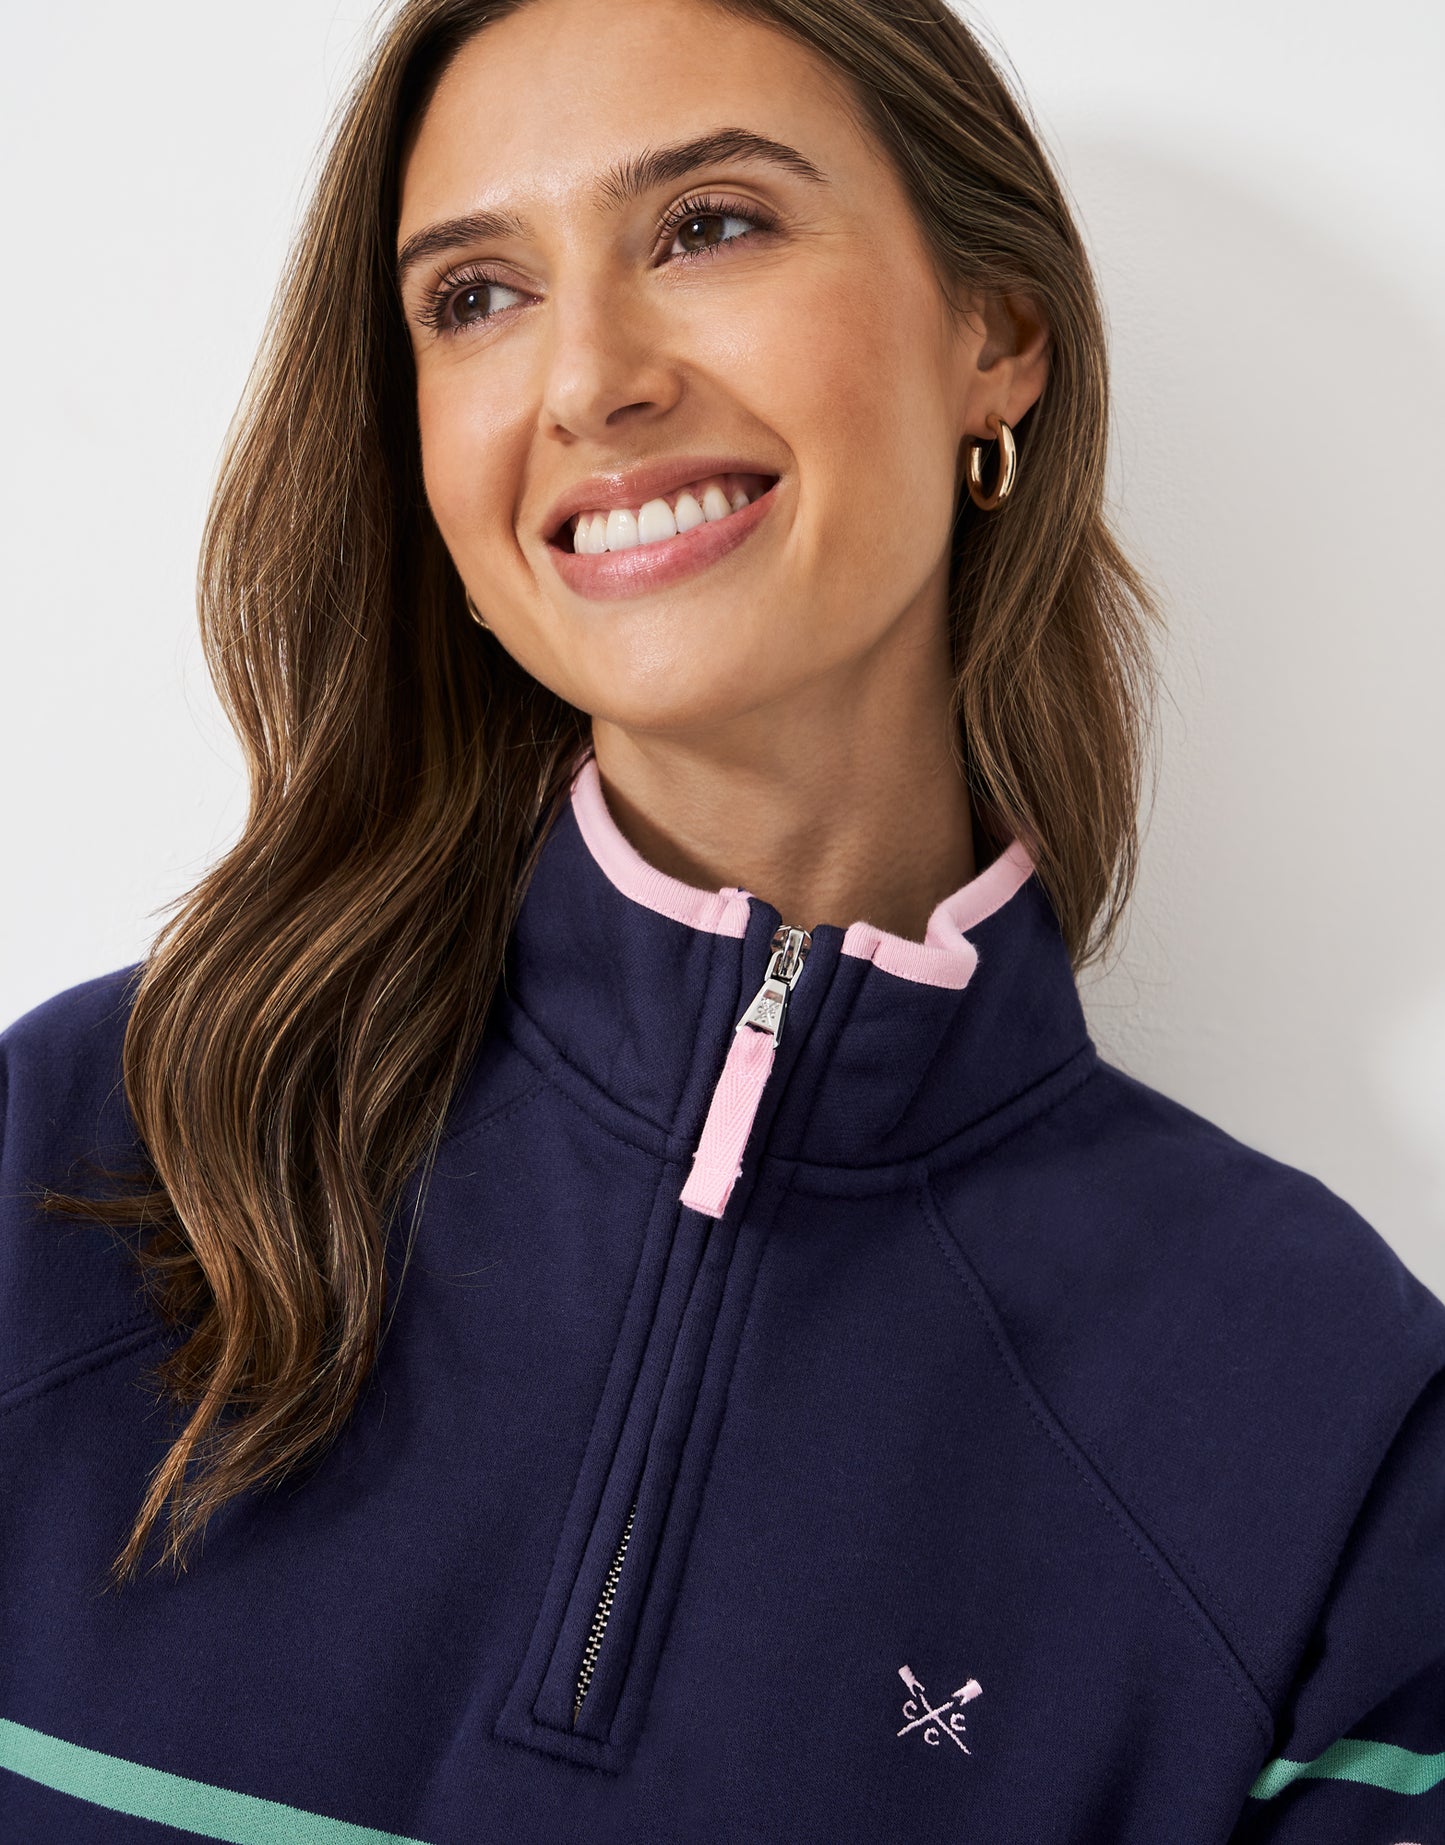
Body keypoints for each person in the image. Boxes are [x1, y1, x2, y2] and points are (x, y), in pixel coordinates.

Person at [1, 0, 1441, 1839]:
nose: (588, 379)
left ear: (996, 335)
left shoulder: (1325, 1430)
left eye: (707, 225)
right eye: (474, 297)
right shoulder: (82, 1163)